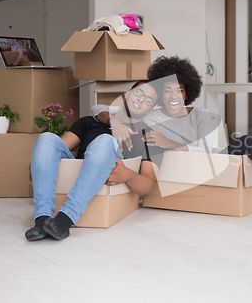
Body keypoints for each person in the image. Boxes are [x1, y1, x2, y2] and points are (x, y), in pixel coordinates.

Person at [25, 80, 164, 241]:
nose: (141, 99)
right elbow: (51, 150)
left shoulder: (149, 136)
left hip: (110, 173)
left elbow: (148, 185)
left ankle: (65, 219)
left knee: (104, 140)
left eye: (148, 100)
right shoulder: (89, 122)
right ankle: (42, 219)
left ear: (149, 111)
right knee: (47, 138)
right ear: (127, 94)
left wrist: (128, 175)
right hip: (80, 170)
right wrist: (39, 162)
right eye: (139, 93)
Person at [91, 56, 216, 154]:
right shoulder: (149, 116)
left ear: (187, 94)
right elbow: (97, 108)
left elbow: (206, 152)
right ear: (161, 94)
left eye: (180, 90)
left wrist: (169, 143)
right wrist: (114, 122)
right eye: (167, 90)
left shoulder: (201, 115)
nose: (174, 96)